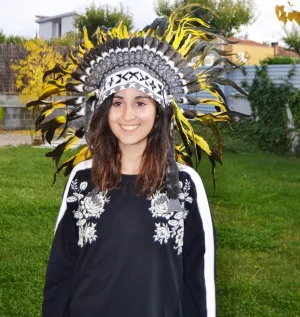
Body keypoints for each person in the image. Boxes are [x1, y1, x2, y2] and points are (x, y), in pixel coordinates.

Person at [27, 5, 243, 317]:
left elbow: (199, 279)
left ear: (159, 112)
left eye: (140, 102)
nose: (128, 115)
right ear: (104, 112)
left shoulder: (183, 185)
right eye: (117, 103)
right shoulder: (81, 179)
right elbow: (61, 270)